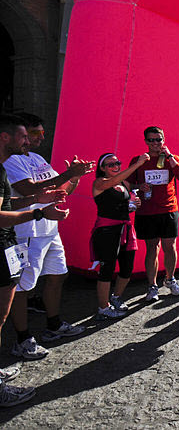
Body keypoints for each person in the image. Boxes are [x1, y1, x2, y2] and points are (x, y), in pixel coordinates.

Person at [3, 113, 93, 359]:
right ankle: (22, 339)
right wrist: (65, 176)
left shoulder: (38, 158)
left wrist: (74, 177)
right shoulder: (11, 161)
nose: (40, 138)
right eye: (34, 134)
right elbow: (29, 190)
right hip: (26, 231)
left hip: (49, 228)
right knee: (22, 287)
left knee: (58, 275)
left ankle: (53, 326)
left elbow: (59, 189)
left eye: (43, 133)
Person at [0, 114, 69, 406]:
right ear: (5, 137)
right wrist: (39, 211)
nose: (30, 141)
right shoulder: (4, 167)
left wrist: (45, 196)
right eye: (25, 136)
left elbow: (11, 202)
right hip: (13, 239)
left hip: (18, 240)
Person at [129, 126, 179, 302]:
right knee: (152, 248)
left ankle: (170, 280)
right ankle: (152, 286)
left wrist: (169, 156)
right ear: (146, 142)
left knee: (170, 247)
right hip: (147, 212)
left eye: (158, 139)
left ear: (163, 140)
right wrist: (140, 187)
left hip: (169, 209)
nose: (155, 143)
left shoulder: (172, 158)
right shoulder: (139, 160)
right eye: (151, 140)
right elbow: (128, 184)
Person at [91, 152, 148, 319]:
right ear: (102, 168)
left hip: (125, 229)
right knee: (106, 269)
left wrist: (135, 199)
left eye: (118, 163)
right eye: (111, 165)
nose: (116, 167)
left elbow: (130, 193)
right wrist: (137, 164)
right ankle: (103, 307)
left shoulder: (124, 182)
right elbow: (112, 183)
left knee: (127, 268)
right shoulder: (100, 182)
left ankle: (115, 297)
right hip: (107, 231)